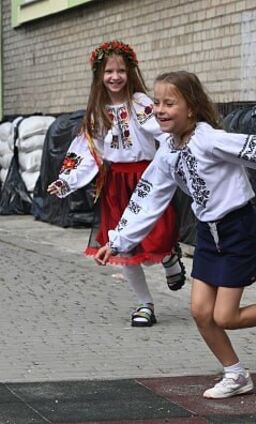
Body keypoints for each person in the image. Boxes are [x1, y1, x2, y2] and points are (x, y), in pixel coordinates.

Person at [95, 70, 256, 399]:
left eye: (170, 103)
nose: (159, 109)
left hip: (237, 230)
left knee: (225, 316)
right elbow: (148, 195)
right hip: (207, 234)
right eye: (157, 102)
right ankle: (236, 374)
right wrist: (116, 241)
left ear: (192, 108)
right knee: (201, 312)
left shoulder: (210, 139)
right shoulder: (168, 151)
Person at [48, 41, 186, 328]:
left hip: (147, 177)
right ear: (99, 74)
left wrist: (179, 158)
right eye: (109, 71)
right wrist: (65, 180)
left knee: (160, 232)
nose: (115, 76)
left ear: (130, 71)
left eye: (120, 70)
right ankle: (144, 304)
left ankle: (170, 256)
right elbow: (85, 150)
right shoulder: (96, 112)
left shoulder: (142, 103)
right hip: (115, 183)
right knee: (124, 246)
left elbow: (163, 131)